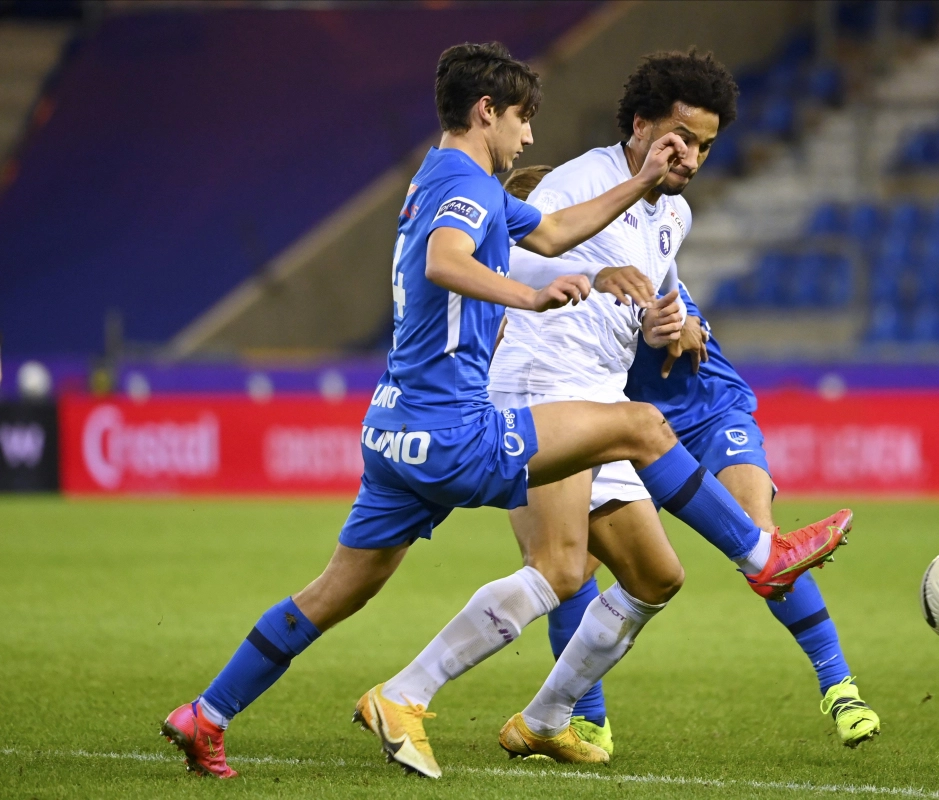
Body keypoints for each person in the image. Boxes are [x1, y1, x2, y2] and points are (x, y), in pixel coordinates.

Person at [160, 42, 845, 780]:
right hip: (453, 427)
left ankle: (207, 714)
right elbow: (445, 261)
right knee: (630, 448)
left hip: (395, 425)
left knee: (334, 592)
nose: (527, 139)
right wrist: (533, 294)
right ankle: (758, 556)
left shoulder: (438, 177)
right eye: (521, 120)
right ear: (486, 111)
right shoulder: (466, 183)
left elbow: (548, 234)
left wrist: (639, 183)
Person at [502, 49, 880, 755]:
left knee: (753, 532)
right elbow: (525, 265)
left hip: (700, 406)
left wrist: (683, 325)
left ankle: (840, 686)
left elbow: (668, 303)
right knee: (574, 569)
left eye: (706, 145)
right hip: (620, 414)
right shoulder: (572, 208)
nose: (694, 157)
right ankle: (579, 717)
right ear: (640, 127)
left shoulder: (669, 215)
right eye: (683, 139)